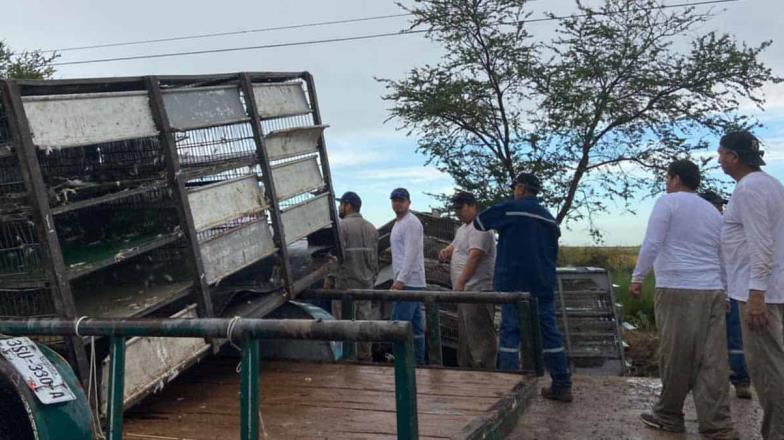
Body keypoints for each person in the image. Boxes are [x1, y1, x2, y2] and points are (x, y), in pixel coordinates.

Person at [629, 160, 737, 438]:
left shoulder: (668, 202)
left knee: (676, 355)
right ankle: (718, 426)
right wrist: (723, 290)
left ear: (675, 178)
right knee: (712, 361)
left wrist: (638, 276)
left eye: (668, 177)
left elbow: (652, 241)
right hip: (712, 291)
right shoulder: (713, 212)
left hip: (677, 287)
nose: (667, 182)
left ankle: (668, 414)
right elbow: (722, 254)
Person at [474, 172, 572, 402]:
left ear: (520, 188)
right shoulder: (549, 219)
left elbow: (479, 223)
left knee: (510, 332)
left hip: (513, 283)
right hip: (543, 285)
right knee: (549, 334)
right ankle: (562, 384)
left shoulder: (510, 209)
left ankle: (509, 388)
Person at [719, 130, 784, 439]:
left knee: (769, 371)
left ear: (733, 157)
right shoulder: (771, 185)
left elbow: (761, 242)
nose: (719, 159)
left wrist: (756, 293)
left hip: (762, 293)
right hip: (773, 288)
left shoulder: (749, 190)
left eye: (721, 153)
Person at [700, 190, 752, 399]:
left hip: (731, 291)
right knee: (709, 340)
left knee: (735, 339)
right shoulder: (707, 231)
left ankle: (740, 381)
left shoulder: (727, 229)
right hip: (711, 289)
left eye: (720, 206)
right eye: (716, 206)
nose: (719, 210)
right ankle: (711, 382)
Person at [438, 191, 498, 369]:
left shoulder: (481, 227)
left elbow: (474, 257)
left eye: (461, 208)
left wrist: (460, 283)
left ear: (472, 206)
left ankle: (485, 372)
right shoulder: (463, 228)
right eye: (455, 209)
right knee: (466, 337)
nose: (458, 212)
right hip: (465, 294)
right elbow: (455, 246)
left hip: (476, 291)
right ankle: (467, 371)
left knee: (480, 336)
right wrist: (446, 251)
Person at [334, 191, 380, 361]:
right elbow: (375, 262)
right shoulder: (372, 229)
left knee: (344, 325)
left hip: (345, 286)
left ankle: (347, 359)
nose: (340, 208)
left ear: (348, 206)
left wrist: (330, 281)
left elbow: (336, 258)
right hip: (366, 287)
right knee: (364, 324)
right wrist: (371, 280)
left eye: (342, 204)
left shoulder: (341, 226)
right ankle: (365, 358)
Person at [389, 187, 427, 364]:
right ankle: (418, 362)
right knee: (416, 326)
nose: (397, 203)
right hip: (408, 280)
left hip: (409, 282)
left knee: (399, 324)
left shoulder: (411, 223)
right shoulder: (398, 223)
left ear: (408, 202)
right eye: (395, 200)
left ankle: (405, 362)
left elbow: (411, 254)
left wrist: (401, 280)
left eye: (401, 200)